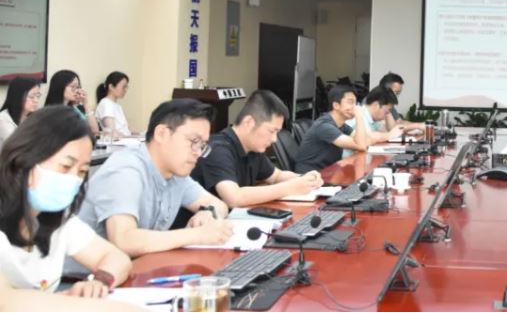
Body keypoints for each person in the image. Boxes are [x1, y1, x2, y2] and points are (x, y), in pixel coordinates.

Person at [0, 106, 134, 309]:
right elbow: (6, 301)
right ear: (25, 158)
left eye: (82, 171)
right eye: (65, 166)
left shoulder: (55, 220)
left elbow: (117, 258)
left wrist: (98, 282)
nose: (73, 180)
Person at [73, 99, 232, 263]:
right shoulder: (126, 169)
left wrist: (207, 212)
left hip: (133, 268)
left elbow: (220, 205)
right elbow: (124, 240)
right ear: (162, 134)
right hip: (82, 277)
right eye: (194, 142)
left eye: (202, 145)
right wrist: (196, 235)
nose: (198, 152)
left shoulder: (176, 173)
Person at [191, 90, 324, 208]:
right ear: (249, 122)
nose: (274, 139)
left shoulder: (253, 148)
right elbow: (234, 197)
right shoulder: (217, 149)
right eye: (272, 131)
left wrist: (305, 179)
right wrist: (290, 187)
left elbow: (276, 176)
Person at [293, 85, 371, 173]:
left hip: (328, 171)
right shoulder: (324, 126)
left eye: (355, 103)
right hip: (310, 175)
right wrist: (359, 116)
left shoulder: (341, 125)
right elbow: (361, 145)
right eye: (350, 102)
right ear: (336, 105)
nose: (355, 107)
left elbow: (364, 142)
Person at [45, 70, 100, 136]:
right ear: (60, 87)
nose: (76, 91)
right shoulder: (51, 113)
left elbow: (95, 132)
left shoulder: (74, 109)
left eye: (78, 87)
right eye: (73, 87)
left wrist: (86, 103)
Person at [0, 77, 42, 148]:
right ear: (18, 97)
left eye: (37, 96)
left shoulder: (34, 117)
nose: (36, 100)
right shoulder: (3, 119)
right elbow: (19, 145)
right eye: (32, 96)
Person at [94, 72, 131, 138]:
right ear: (111, 87)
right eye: (123, 87)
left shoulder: (117, 106)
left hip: (124, 140)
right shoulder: (105, 104)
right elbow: (112, 131)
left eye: (126, 87)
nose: (125, 90)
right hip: (118, 142)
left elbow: (125, 131)